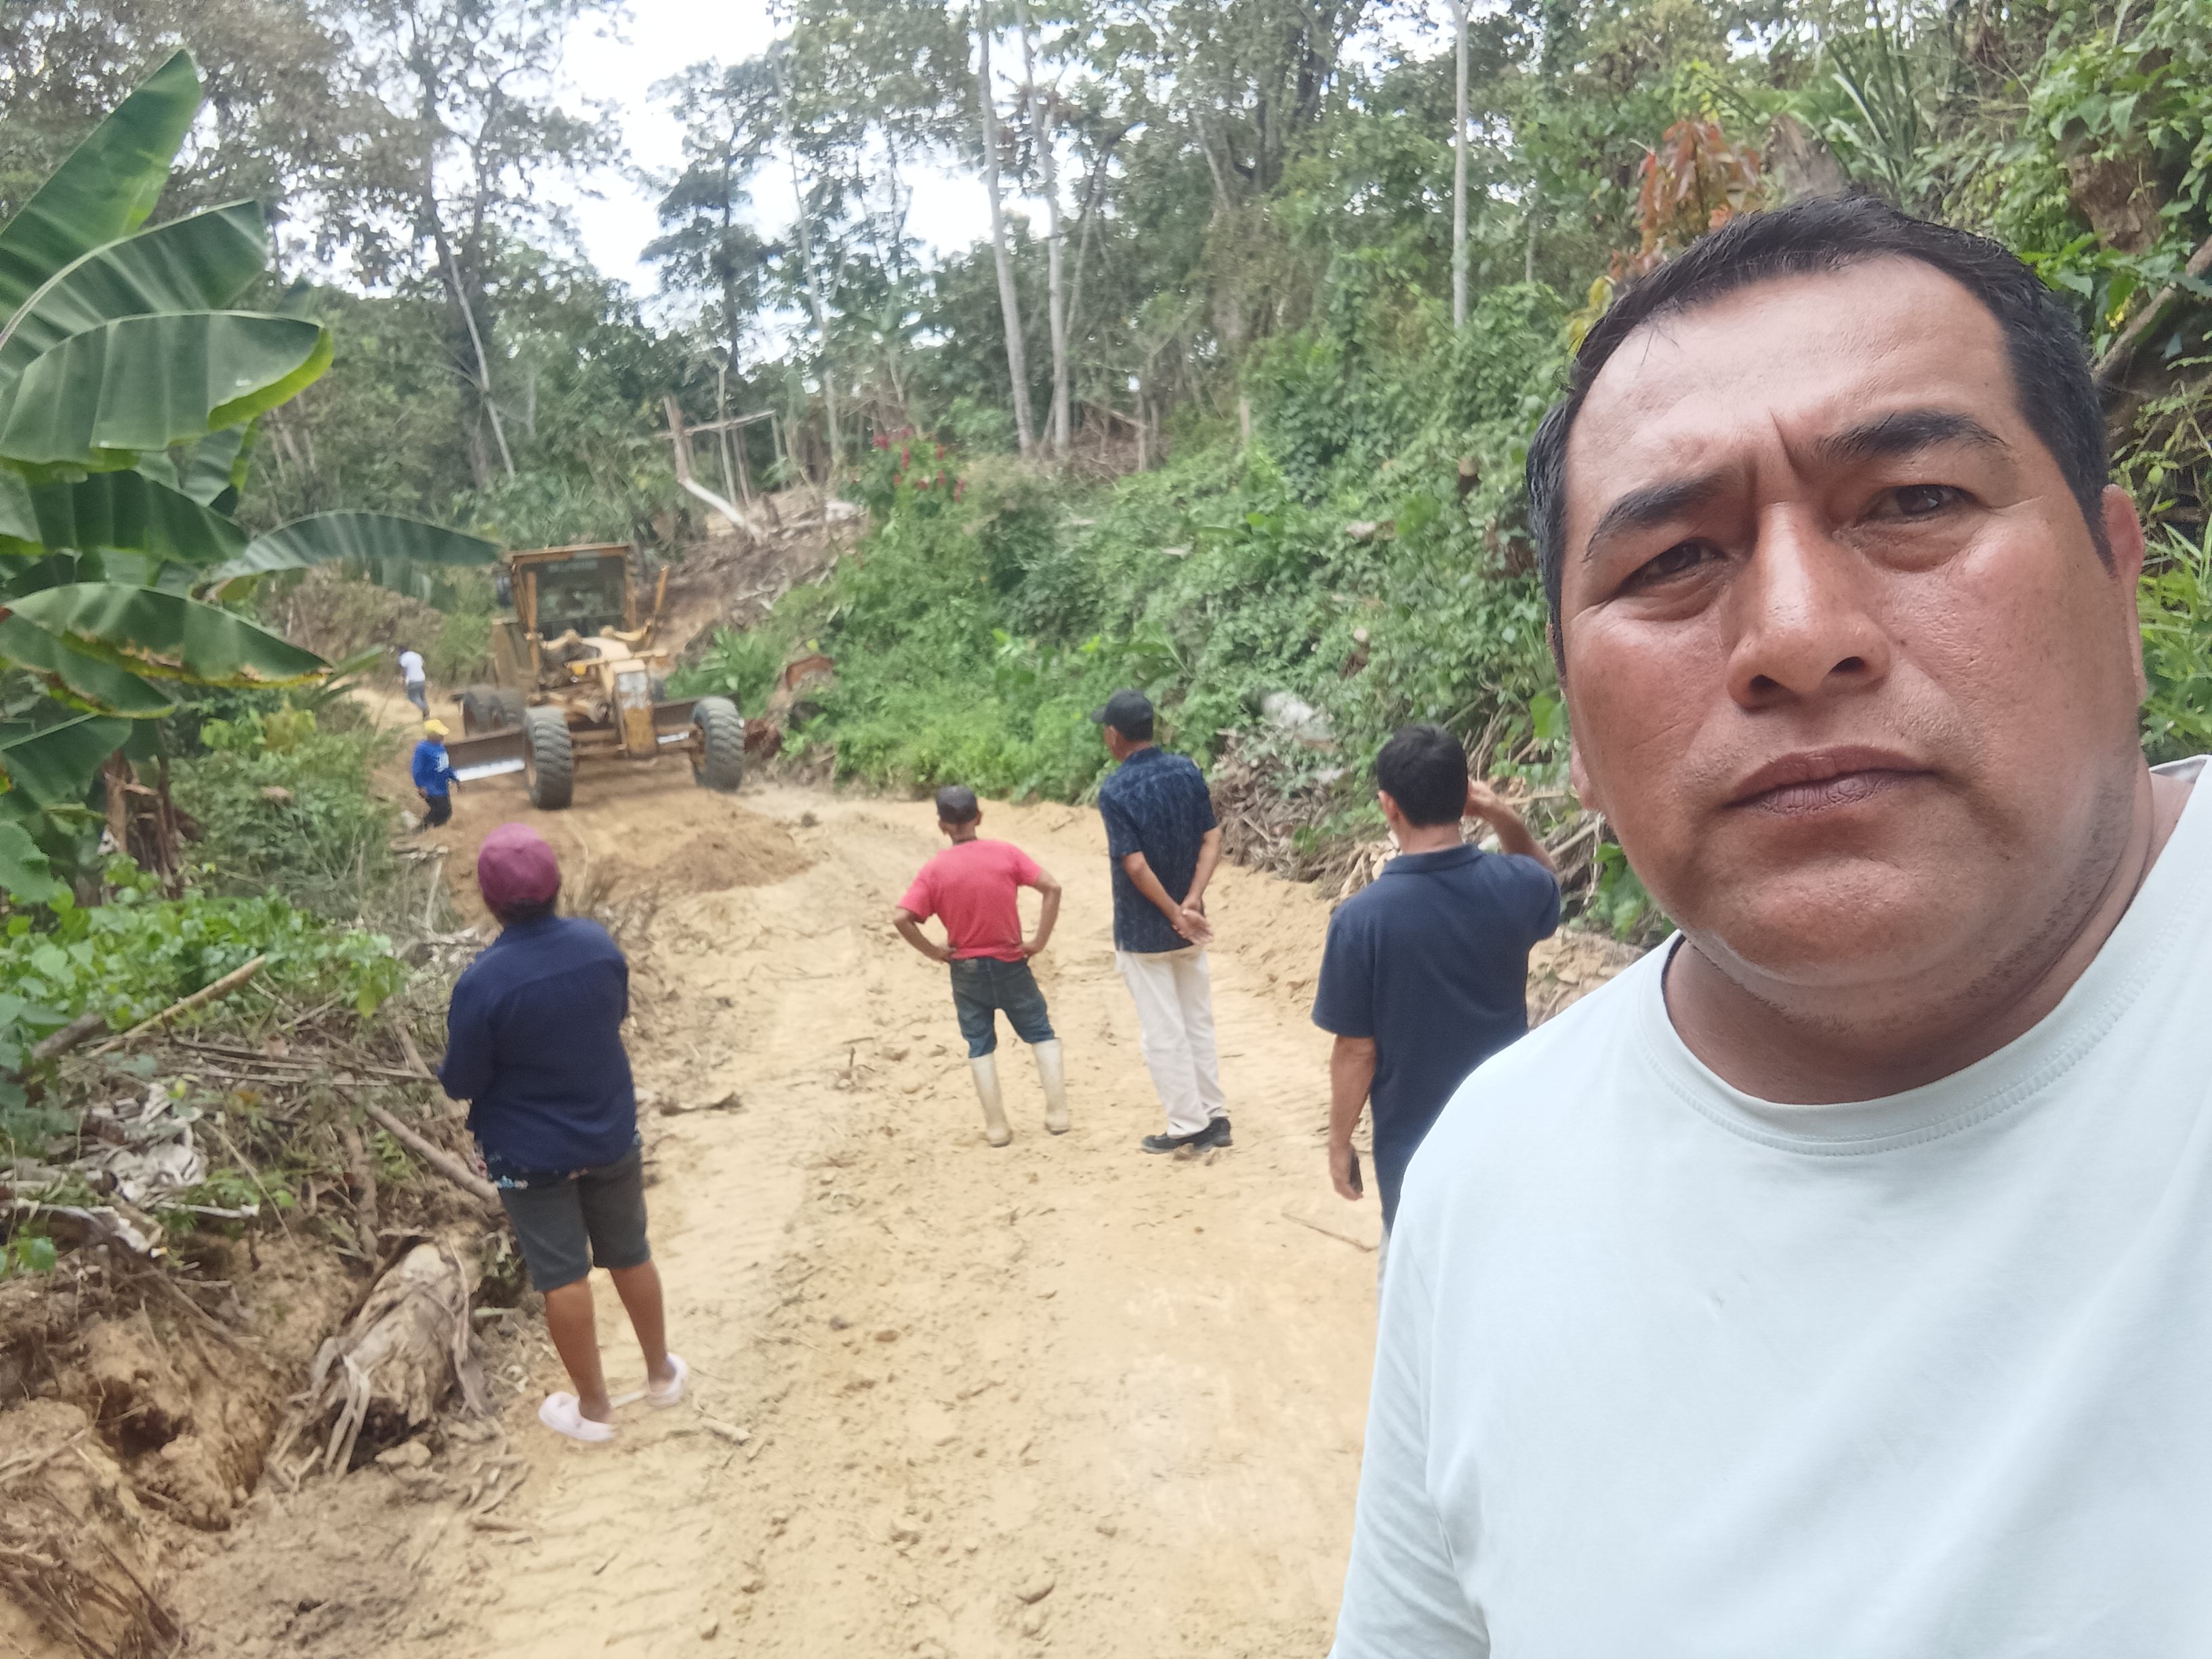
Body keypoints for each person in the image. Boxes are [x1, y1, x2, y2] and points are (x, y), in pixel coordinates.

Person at [1332, 194, 2212, 1654]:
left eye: (1914, 500)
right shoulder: (1487, 1184)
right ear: (1576, 727)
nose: (1797, 636)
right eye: (1671, 562)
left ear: (2117, 580)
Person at [438, 823, 682, 1443]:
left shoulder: (482, 983)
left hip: (529, 1154)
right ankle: (661, 1375)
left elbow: (461, 1080)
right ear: (556, 884)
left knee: (562, 1276)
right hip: (608, 1132)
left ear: (490, 900)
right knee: (630, 1253)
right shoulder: (597, 946)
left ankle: (595, 1410)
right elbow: (615, 1014)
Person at [1311, 724, 1559, 1266]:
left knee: (1414, 1283)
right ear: (1466, 797)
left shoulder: (1360, 921)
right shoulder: (1515, 886)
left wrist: (1339, 1142)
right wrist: (1503, 816)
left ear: (1388, 806)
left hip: (1414, 1153)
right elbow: (1547, 882)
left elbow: (1356, 1051)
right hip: (1503, 1135)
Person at [1092, 689, 1229, 1154]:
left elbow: (1134, 865)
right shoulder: (1187, 771)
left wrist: (1172, 912)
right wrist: (1192, 902)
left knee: (1163, 1029)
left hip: (1144, 929)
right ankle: (1214, 1115)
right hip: (1192, 923)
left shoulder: (1115, 791)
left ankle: (1186, 1123)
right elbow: (1212, 838)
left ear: (1114, 736)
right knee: (1197, 1020)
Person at [892, 785, 1069, 1145]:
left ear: (942, 825)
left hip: (966, 970)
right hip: (1011, 962)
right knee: (1040, 1032)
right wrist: (1038, 941)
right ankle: (1058, 1114)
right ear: (980, 817)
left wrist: (934, 952)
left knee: (979, 1043)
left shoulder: (934, 870)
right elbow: (1052, 887)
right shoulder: (1006, 854)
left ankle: (997, 1128)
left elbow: (901, 918)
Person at [411, 719, 455, 830]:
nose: (442, 736)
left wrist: (455, 778)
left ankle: (435, 830)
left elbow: (445, 766)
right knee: (441, 810)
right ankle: (420, 830)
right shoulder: (422, 749)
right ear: (431, 734)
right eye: (439, 734)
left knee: (446, 812)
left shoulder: (441, 749)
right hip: (430, 787)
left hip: (441, 787)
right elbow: (417, 769)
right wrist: (421, 786)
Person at [397, 643, 428, 717]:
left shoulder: (403, 658)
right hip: (422, 679)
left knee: (412, 697)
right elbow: (421, 665)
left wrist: (403, 681)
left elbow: (404, 670)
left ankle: (425, 709)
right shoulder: (417, 655)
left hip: (413, 680)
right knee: (422, 697)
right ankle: (426, 716)